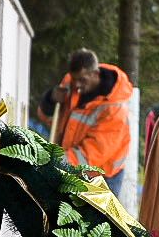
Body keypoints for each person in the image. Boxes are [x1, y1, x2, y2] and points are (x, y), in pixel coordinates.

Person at [37, 49, 135, 196]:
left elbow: (89, 157)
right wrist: (50, 99)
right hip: (69, 167)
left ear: (95, 73)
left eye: (82, 80)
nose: (77, 85)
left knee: (93, 213)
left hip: (103, 178)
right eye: (74, 79)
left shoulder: (114, 110)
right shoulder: (70, 82)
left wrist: (54, 162)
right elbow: (48, 118)